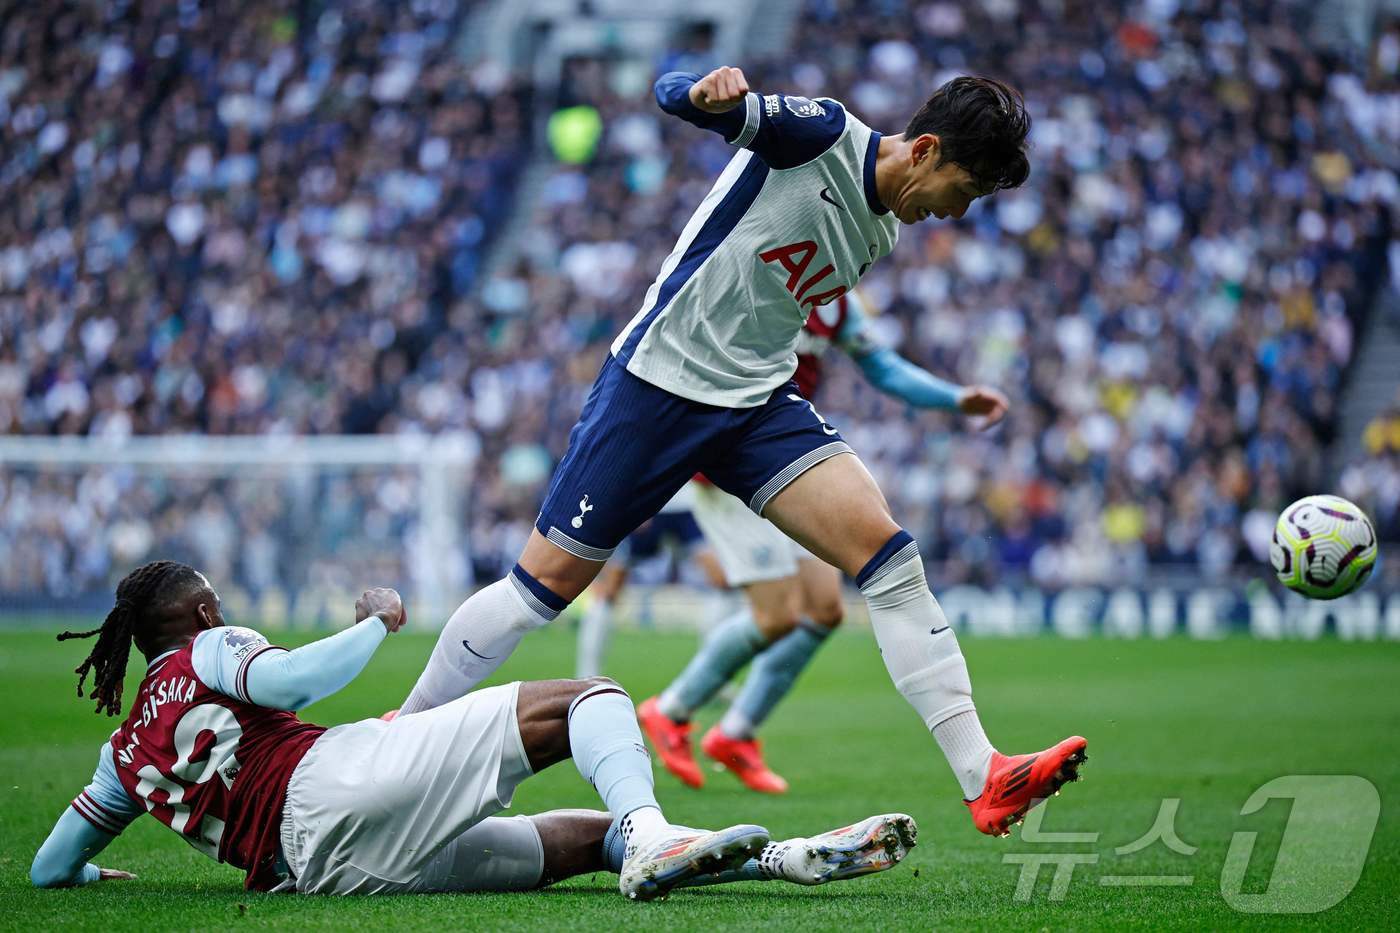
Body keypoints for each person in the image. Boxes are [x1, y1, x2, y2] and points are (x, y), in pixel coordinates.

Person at [399, 65, 1086, 837]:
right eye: (963, 190)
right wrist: (699, 92)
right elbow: (671, 94)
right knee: (540, 589)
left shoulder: (886, 225)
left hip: (755, 400)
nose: (957, 213)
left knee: (890, 559)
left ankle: (983, 774)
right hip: (655, 387)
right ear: (924, 150)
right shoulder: (821, 135)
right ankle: (402, 733)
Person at [30, 561, 916, 898]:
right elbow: (296, 676)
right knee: (589, 698)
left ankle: (775, 858)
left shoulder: (122, 753)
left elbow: (48, 865)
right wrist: (375, 618)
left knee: (575, 843)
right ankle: (653, 838)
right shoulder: (212, 645)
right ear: (200, 608)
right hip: (329, 784)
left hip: (319, 875)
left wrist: (96, 868)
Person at [638, 289, 1008, 793]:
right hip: (724, 465)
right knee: (776, 616)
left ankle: (735, 732)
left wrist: (955, 398)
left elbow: (882, 368)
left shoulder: (837, 302)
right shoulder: (759, 277)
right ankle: (671, 709)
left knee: (824, 609)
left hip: (782, 463)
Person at [575, 486, 730, 678]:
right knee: (609, 592)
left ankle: (710, 676)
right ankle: (586, 676)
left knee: (722, 582)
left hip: (686, 506)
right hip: (652, 504)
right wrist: (638, 498)